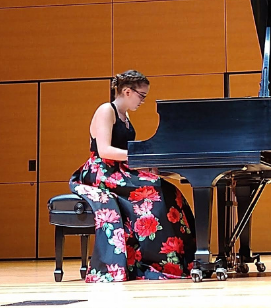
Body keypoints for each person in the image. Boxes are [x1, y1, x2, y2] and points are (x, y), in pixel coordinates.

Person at [70, 70, 196, 282]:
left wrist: (145, 164)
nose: (143, 101)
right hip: (101, 171)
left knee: (167, 189)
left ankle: (177, 259)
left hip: (118, 170)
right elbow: (104, 151)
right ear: (127, 92)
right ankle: (156, 260)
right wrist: (139, 158)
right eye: (141, 96)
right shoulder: (105, 110)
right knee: (153, 192)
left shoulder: (124, 116)